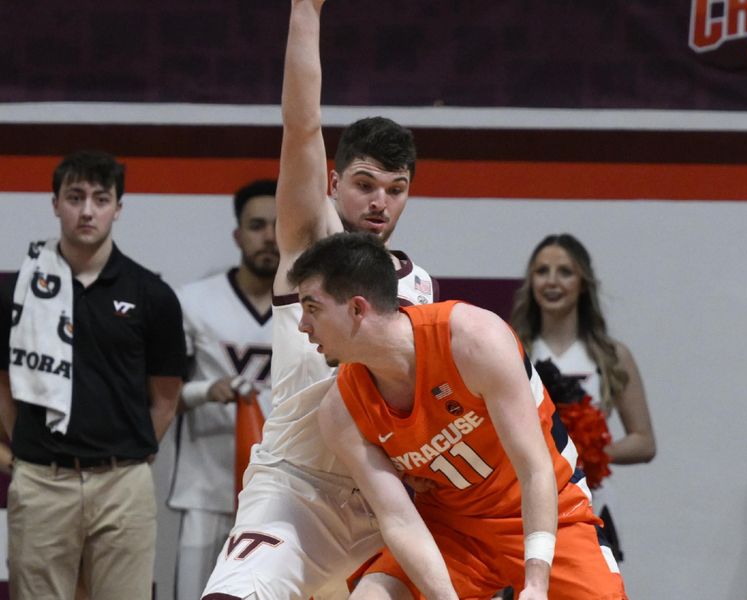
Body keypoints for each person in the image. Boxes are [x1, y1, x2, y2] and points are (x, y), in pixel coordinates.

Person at [200, 1, 437, 599]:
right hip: (297, 488)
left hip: (384, 502)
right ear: (333, 183)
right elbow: (302, 126)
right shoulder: (314, 243)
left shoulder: (422, 286)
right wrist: (306, 11)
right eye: (364, 184)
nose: (380, 201)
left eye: (395, 188)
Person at [289, 232, 626, 600]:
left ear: (356, 308)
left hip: (549, 514)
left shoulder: (474, 339)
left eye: (312, 307)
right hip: (452, 530)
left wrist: (536, 584)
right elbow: (399, 519)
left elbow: (536, 469)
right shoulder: (340, 412)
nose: (302, 324)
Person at [0, 150, 185, 599]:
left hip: (123, 481)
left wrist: (128, 455)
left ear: (118, 207)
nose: (87, 210)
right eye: (75, 196)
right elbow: (4, 384)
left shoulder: (152, 294)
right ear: (55, 203)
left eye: (101, 199)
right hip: (42, 480)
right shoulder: (17, 289)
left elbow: (165, 396)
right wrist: (30, 451)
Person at [509, 233, 656, 560]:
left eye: (565, 271)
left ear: (584, 282)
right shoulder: (512, 349)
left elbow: (644, 441)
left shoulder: (611, 355)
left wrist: (591, 453)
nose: (552, 281)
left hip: (592, 500)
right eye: (542, 271)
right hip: (524, 500)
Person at [168, 179, 278, 600]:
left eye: (276, 225)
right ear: (238, 234)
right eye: (256, 225)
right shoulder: (192, 302)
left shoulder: (309, 308)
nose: (268, 236)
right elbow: (158, 399)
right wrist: (204, 391)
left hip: (281, 495)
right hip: (205, 490)